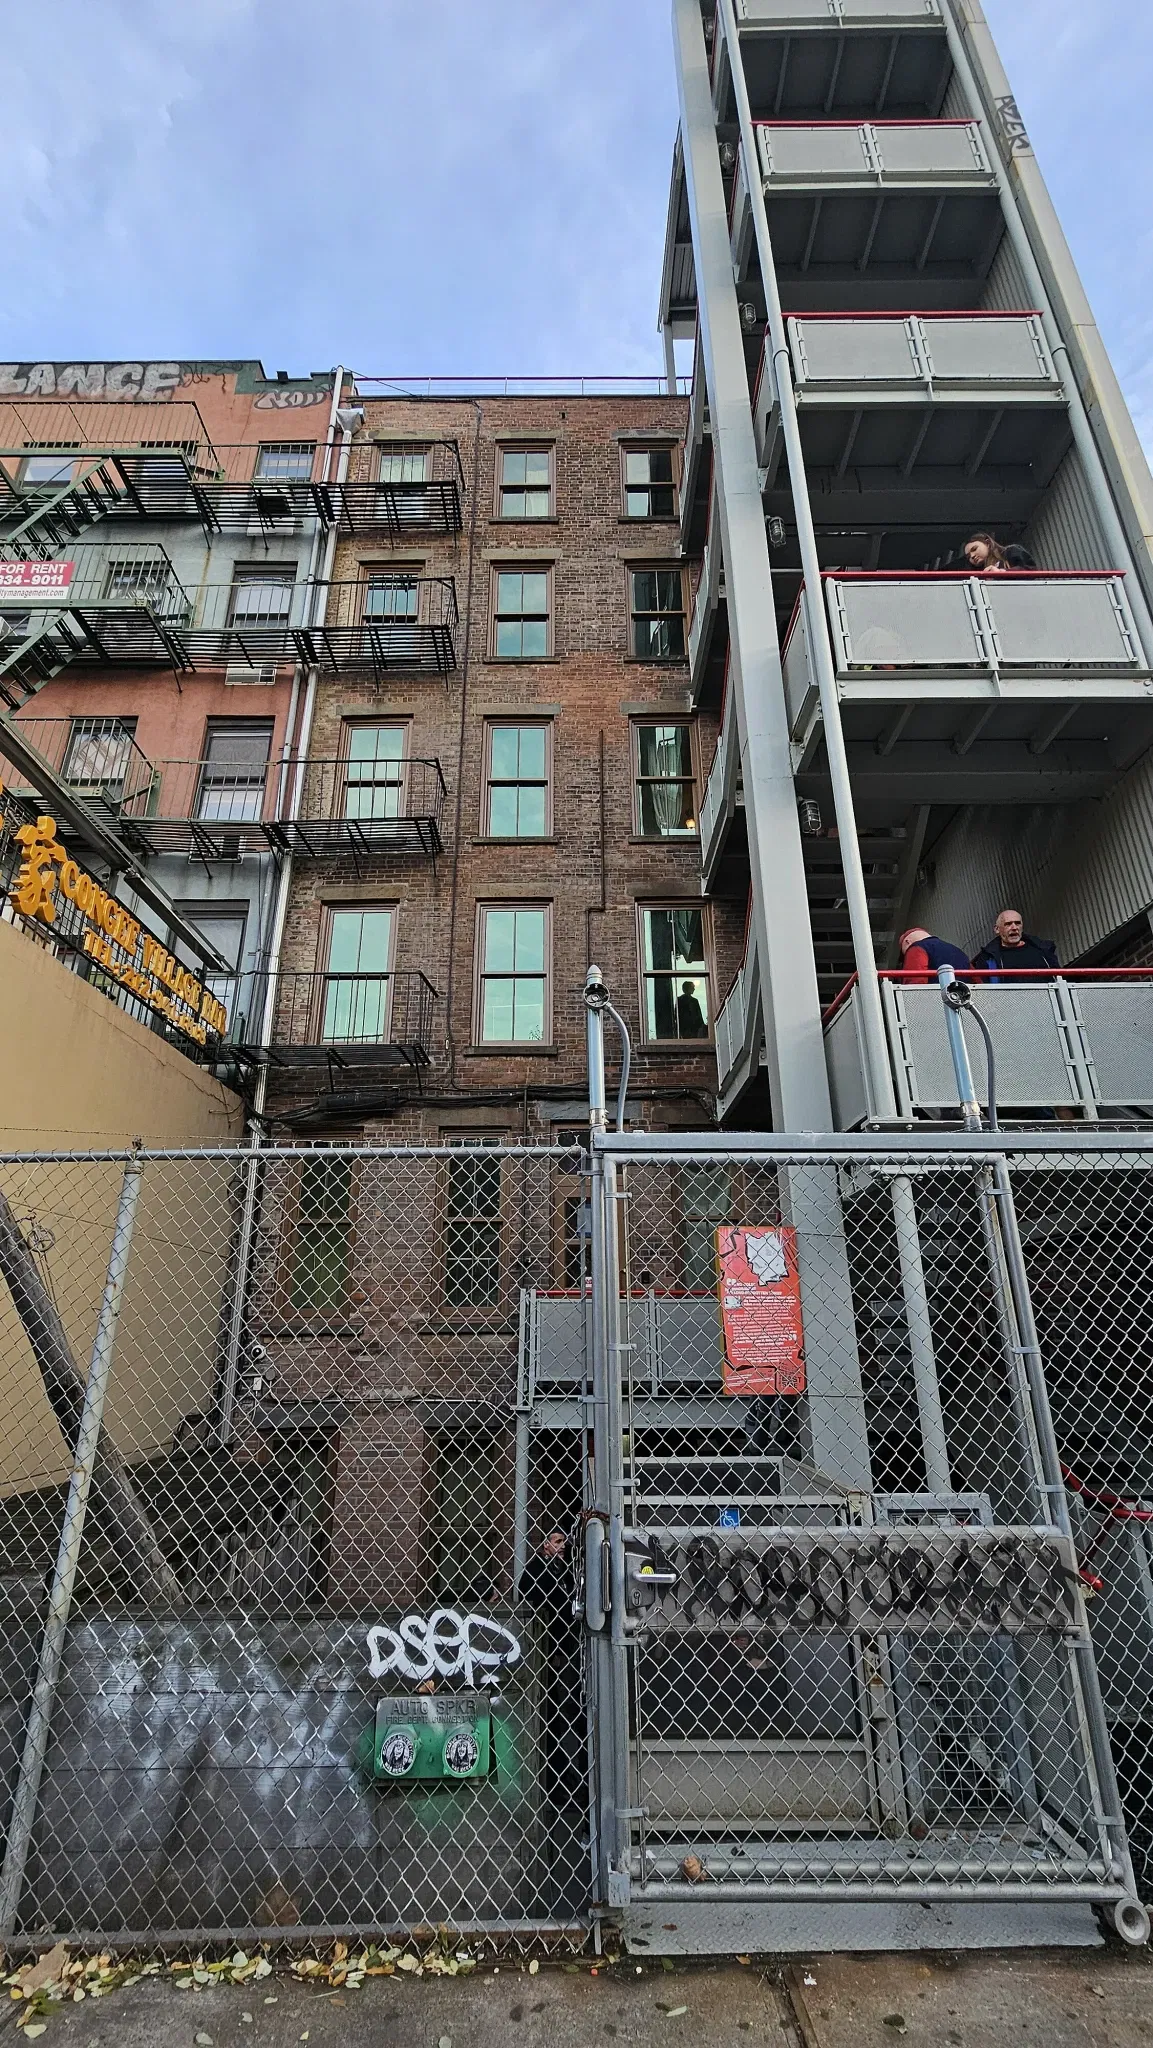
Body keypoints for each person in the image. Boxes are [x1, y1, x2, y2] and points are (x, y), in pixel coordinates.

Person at [518, 1531, 585, 1826]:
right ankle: (554, 1777)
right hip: (547, 1648)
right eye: (557, 1541)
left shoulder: (569, 1568)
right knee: (550, 1713)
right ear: (545, 1545)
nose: (563, 1546)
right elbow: (530, 1595)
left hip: (568, 1645)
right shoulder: (538, 1569)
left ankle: (566, 1775)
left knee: (568, 1711)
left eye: (564, 1542)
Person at [971, 909, 1060, 979]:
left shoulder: (1043, 949)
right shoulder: (987, 958)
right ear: (997, 929)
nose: (1014, 928)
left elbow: (1060, 979)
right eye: (1008, 924)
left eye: (1017, 923)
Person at [898, 927, 972, 982]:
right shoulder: (959, 951)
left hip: (935, 999)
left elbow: (915, 980)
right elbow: (977, 980)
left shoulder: (916, 948)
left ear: (908, 942)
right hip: (963, 998)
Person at [964, 532, 1036, 572]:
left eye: (974, 549)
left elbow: (1031, 570)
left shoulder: (1011, 552)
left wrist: (1003, 572)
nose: (972, 556)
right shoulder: (976, 575)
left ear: (988, 544)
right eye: (968, 557)